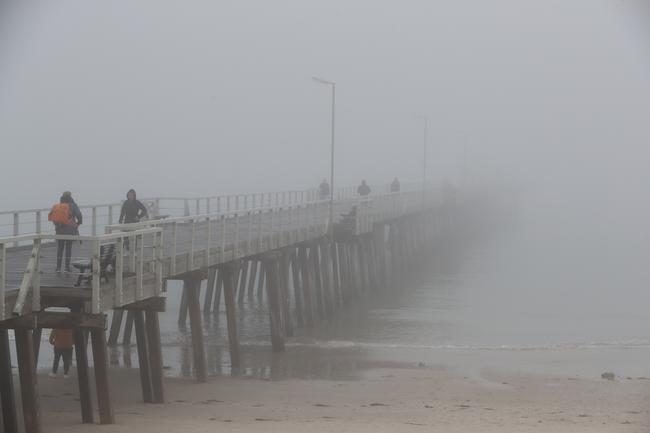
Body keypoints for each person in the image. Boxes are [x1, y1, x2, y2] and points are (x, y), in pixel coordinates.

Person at [48, 191, 82, 272]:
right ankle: (67, 267)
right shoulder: (73, 205)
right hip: (70, 229)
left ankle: (58, 268)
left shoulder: (58, 206)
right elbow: (79, 215)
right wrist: (78, 223)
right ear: (70, 196)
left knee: (60, 248)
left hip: (59, 229)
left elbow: (52, 215)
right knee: (68, 248)